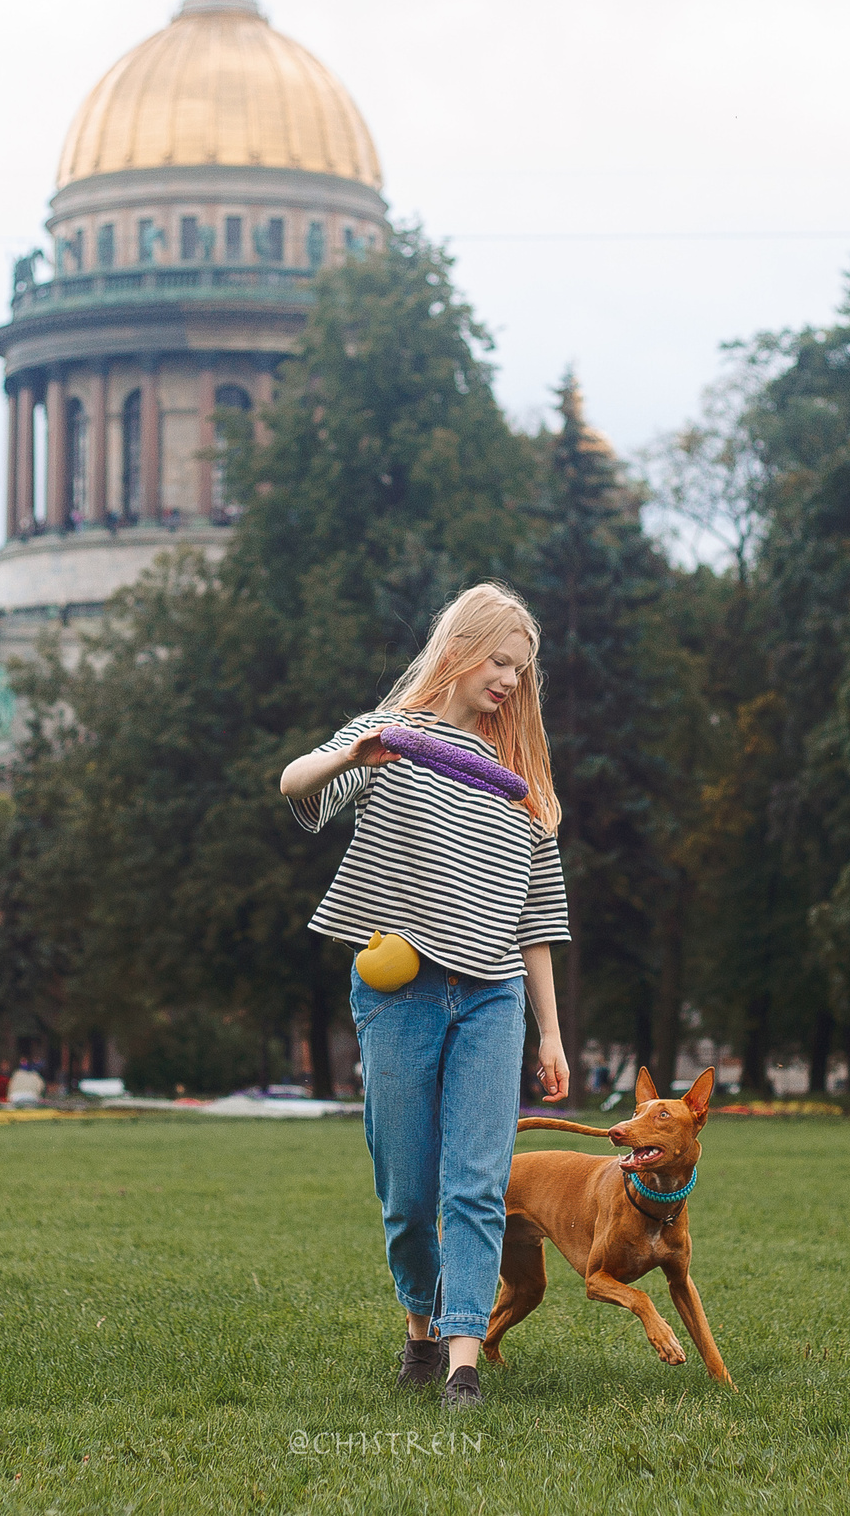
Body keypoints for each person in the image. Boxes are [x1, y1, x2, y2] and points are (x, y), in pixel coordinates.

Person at [278, 583, 572, 1411]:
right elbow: (295, 784)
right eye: (499, 661)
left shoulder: (522, 777)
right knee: (408, 1195)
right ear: (460, 648)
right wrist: (355, 753)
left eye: (522, 669)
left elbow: (537, 916)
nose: (510, 679)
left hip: (491, 997)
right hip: (400, 996)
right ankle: (421, 1325)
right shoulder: (393, 735)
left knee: (475, 1184)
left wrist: (550, 1033)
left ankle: (462, 1363)